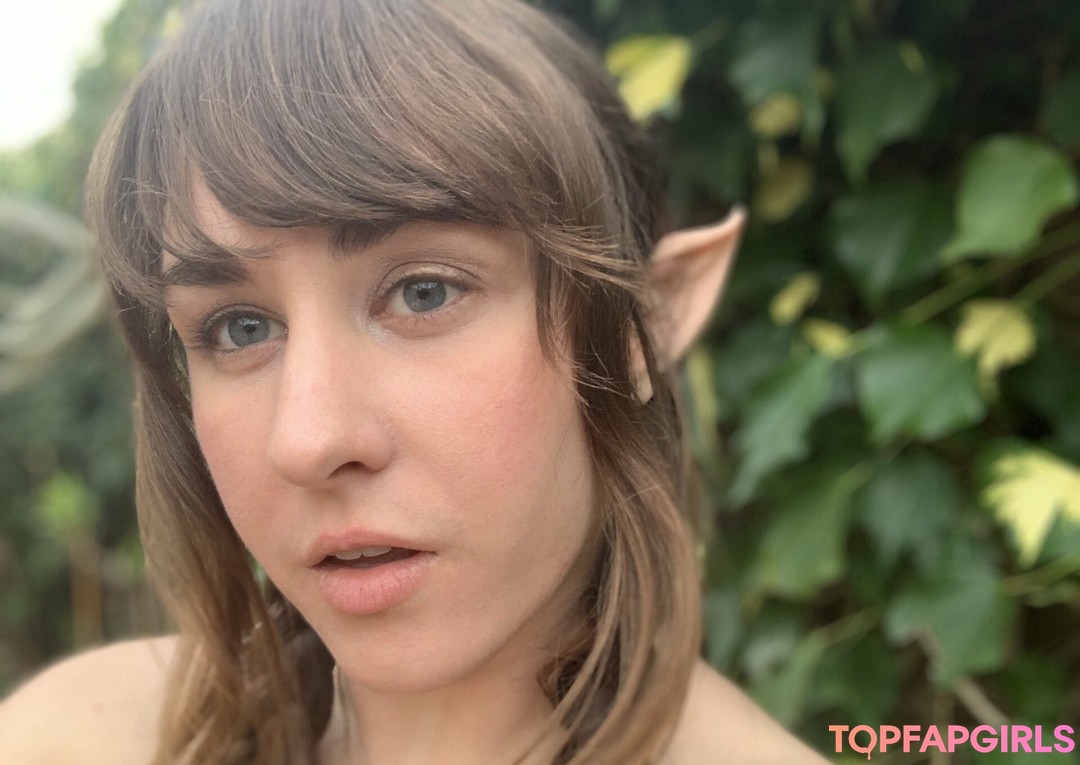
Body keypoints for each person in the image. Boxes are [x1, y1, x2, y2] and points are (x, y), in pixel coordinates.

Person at [0, 1, 830, 763]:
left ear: (644, 324)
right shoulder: (71, 739)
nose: (308, 440)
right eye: (240, 328)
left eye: (424, 292)